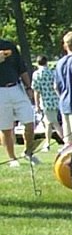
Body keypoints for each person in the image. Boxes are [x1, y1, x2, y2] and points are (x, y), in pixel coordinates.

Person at [0, 35, 37, 166]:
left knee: (29, 122)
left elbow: (21, 68)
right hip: (0, 91)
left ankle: (28, 152)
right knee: (6, 128)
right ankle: (12, 158)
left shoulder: (9, 45)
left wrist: (28, 87)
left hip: (16, 87)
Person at [31, 56, 60, 150]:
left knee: (54, 123)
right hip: (55, 100)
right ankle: (47, 143)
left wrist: (37, 105)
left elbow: (36, 91)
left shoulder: (37, 74)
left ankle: (66, 142)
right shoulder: (52, 72)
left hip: (46, 101)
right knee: (48, 123)